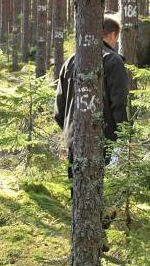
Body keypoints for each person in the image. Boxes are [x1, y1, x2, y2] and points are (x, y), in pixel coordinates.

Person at [55, 14, 130, 171]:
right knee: (101, 192)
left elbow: (59, 110)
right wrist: (123, 138)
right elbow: (119, 104)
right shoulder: (113, 61)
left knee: (76, 191)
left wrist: (71, 132)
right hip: (103, 143)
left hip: (74, 142)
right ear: (112, 35)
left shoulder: (70, 61)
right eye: (116, 38)